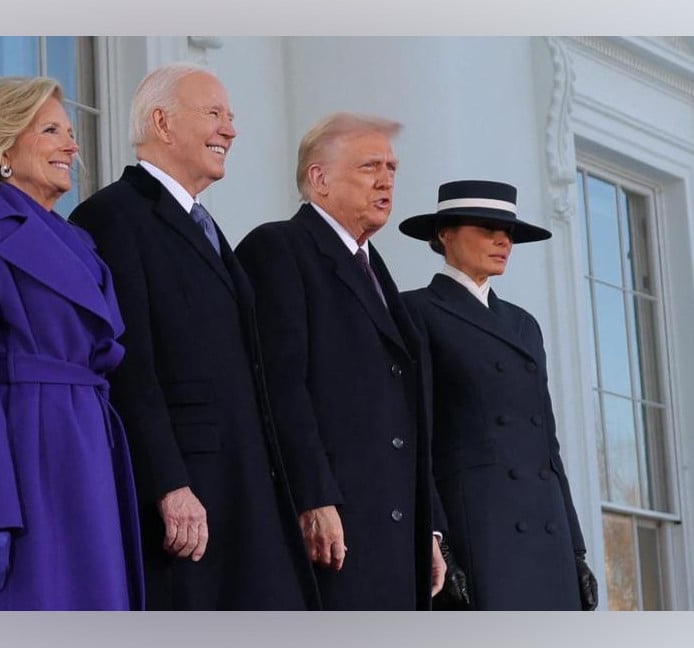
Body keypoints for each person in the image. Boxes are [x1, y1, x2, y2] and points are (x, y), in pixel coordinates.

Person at [68, 63, 318, 610]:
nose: (231, 130)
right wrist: (168, 484)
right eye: (214, 114)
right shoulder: (110, 217)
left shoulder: (205, 225)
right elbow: (128, 365)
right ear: (162, 122)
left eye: (231, 116)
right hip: (187, 501)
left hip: (247, 484)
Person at [0, 76, 143, 610]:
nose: (72, 145)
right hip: (30, 462)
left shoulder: (79, 243)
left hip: (88, 451)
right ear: (4, 147)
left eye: (70, 132)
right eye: (51, 130)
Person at [235, 112, 443, 610]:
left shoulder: (376, 268)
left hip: (395, 535)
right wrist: (312, 496)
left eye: (392, 167)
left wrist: (430, 524)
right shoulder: (280, 248)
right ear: (320, 178)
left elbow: (410, 411)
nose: (386, 178)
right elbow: (281, 385)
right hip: (334, 531)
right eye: (370, 165)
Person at [398, 179, 599, 610]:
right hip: (479, 532)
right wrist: (437, 538)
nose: (503, 240)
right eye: (488, 229)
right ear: (445, 234)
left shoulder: (524, 325)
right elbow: (414, 436)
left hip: (548, 538)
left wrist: (577, 551)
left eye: (508, 232)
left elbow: (548, 448)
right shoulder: (414, 311)